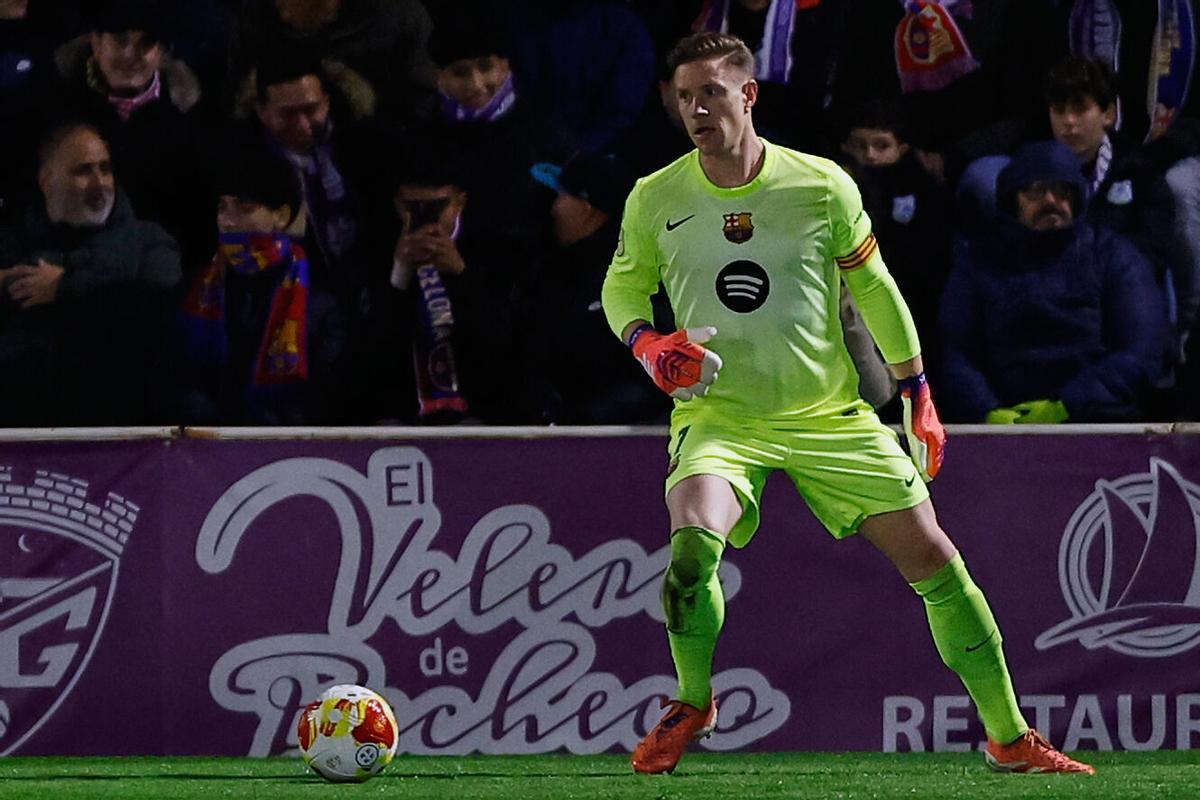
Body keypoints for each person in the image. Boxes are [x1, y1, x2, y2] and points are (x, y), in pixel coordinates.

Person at [600, 32, 1094, 776]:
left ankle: (1008, 736)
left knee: (937, 562)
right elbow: (621, 288)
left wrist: (918, 391)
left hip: (829, 415)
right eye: (683, 97)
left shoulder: (820, 185)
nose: (696, 109)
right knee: (690, 552)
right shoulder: (656, 196)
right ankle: (693, 701)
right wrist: (646, 343)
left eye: (710, 92)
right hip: (720, 418)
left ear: (748, 94)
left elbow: (875, 289)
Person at [939, 139, 1166, 425]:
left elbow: (1140, 350)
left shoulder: (1114, 256)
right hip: (1002, 427)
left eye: (1062, 191)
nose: (1050, 201)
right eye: (1036, 191)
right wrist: (987, 411)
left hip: (1097, 423)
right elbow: (956, 351)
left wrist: (1069, 404)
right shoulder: (979, 262)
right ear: (1013, 198)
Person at [0, 121, 181, 425]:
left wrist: (66, 288)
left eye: (105, 169)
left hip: (125, 433)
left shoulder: (149, 242)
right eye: (83, 171)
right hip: (23, 434)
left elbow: (157, 305)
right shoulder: (10, 244)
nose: (100, 182)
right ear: (46, 180)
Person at [177, 146, 348, 425]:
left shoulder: (319, 296)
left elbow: (327, 394)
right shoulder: (195, 288)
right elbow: (178, 375)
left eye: (245, 209)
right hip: (204, 449)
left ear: (280, 215)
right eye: (222, 207)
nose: (228, 221)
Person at [522, 151, 672, 424]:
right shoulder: (549, 268)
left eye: (563, 197)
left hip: (613, 444)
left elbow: (653, 377)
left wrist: (582, 421)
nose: (554, 208)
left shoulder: (639, 279)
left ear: (588, 208)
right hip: (548, 435)